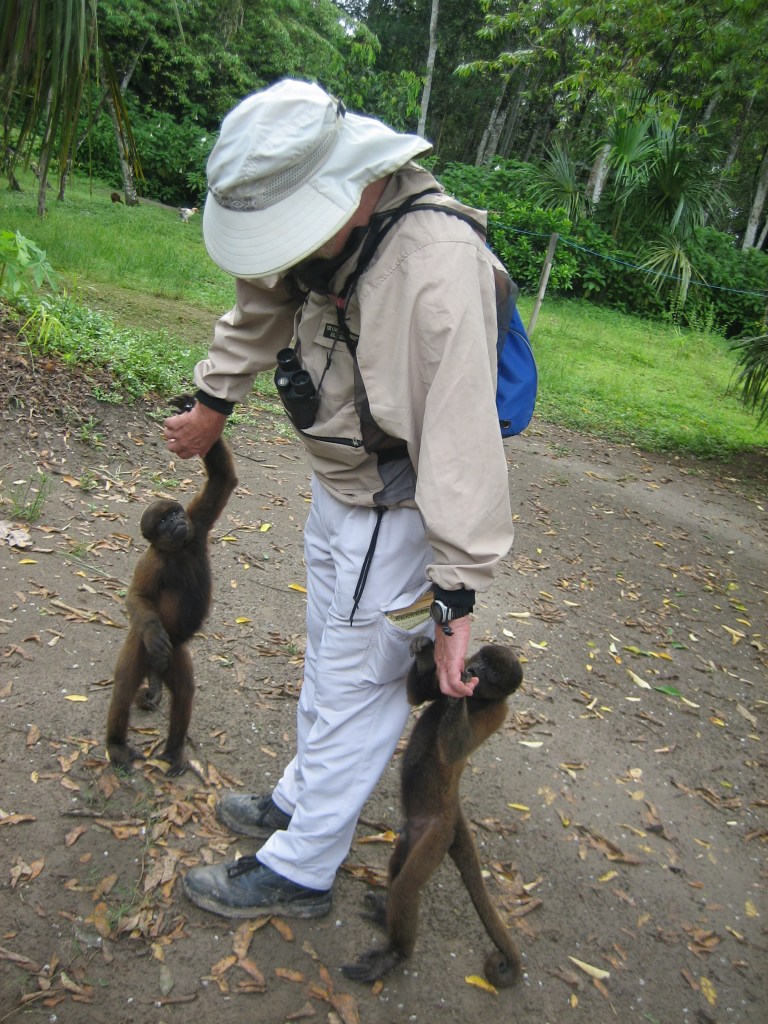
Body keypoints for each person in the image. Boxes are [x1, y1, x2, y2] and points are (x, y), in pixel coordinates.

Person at [169, 79, 515, 920]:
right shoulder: (333, 234)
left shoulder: (433, 264)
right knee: (331, 657)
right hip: (339, 485)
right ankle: (302, 796)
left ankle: (302, 867)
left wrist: (456, 592)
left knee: (361, 683)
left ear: (349, 179)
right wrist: (215, 398)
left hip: (395, 512)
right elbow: (265, 296)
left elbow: (461, 436)